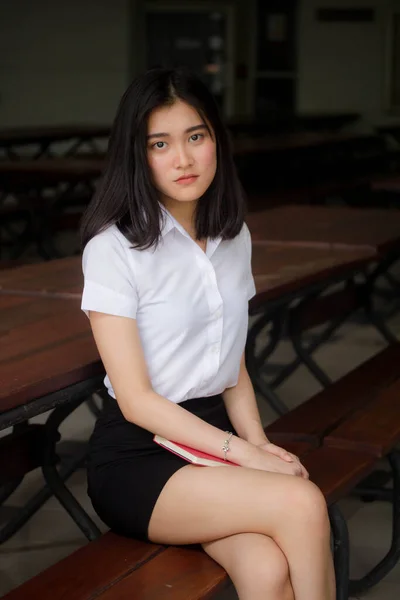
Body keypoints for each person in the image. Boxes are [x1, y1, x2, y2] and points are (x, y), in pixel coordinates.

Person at [80, 67, 335, 600]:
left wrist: (260, 441)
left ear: (216, 139)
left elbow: (232, 362)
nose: (183, 158)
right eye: (160, 143)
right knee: (303, 502)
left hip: (213, 440)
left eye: (196, 136)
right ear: (137, 154)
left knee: (268, 569)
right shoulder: (113, 250)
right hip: (140, 456)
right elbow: (136, 401)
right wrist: (244, 454)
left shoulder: (231, 235)